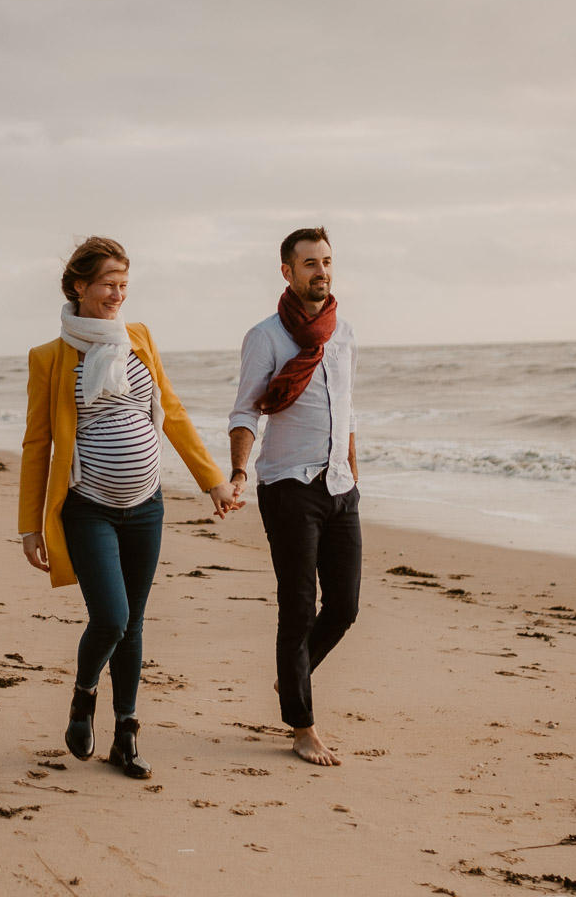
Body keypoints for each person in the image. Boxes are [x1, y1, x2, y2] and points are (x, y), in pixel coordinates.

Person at [19, 236, 243, 780]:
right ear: (79, 287)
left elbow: (169, 408)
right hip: (88, 507)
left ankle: (125, 733)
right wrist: (29, 526)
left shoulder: (138, 338)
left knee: (135, 622)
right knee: (112, 617)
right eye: (107, 285)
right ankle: (83, 694)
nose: (118, 294)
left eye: (124, 284)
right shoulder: (50, 357)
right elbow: (37, 445)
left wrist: (212, 479)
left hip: (146, 505)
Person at [228, 227, 361, 766]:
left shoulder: (344, 333)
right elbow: (246, 410)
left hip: (340, 488)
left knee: (346, 607)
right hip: (287, 486)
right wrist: (238, 471)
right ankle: (303, 726)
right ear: (288, 272)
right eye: (309, 263)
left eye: (326, 262)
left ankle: (293, 677)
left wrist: (355, 474)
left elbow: (347, 409)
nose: (320, 271)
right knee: (299, 607)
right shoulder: (266, 337)